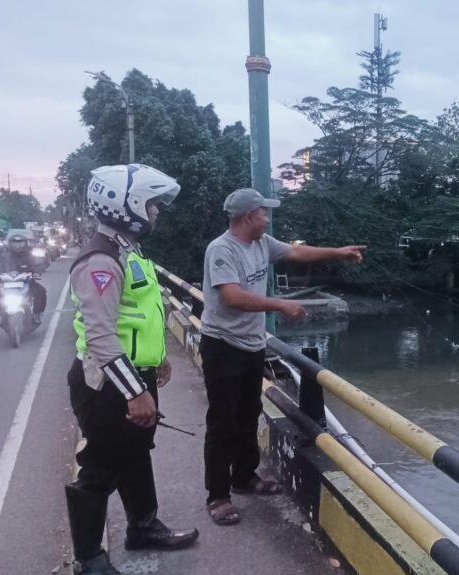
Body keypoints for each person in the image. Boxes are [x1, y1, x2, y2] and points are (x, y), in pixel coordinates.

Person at [200, 187, 365, 525]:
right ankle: (217, 495)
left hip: (251, 342)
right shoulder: (222, 250)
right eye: (264, 212)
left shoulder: (262, 243)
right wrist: (280, 304)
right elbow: (231, 297)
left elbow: (297, 253)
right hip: (223, 345)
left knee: (249, 413)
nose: (268, 217)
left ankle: (244, 476)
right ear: (248, 217)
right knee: (223, 422)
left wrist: (338, 252)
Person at [65, 164, 199, 575]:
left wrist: (157, 359)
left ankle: (142, 527)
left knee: (136, 454)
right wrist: (135, 393)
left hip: (132, 375)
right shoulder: (99, 262)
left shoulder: (128, 250)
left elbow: (141, 312)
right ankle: (88, 559)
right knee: (100, 467)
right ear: (127, 205)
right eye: (152, 203)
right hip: (108, 383)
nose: (157, 211)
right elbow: (103, 337)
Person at [0, 230, 47, 325]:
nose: (18, 246)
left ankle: (36, 314)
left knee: (41, 291)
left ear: (25, 244)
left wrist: (37, 271)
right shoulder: (4, 257)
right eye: (15, 243)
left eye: (20, 243)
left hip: (26, 282)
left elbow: (39, 264)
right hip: (7, 284)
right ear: (10, 244)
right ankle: (2, 314)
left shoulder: (30, 256)